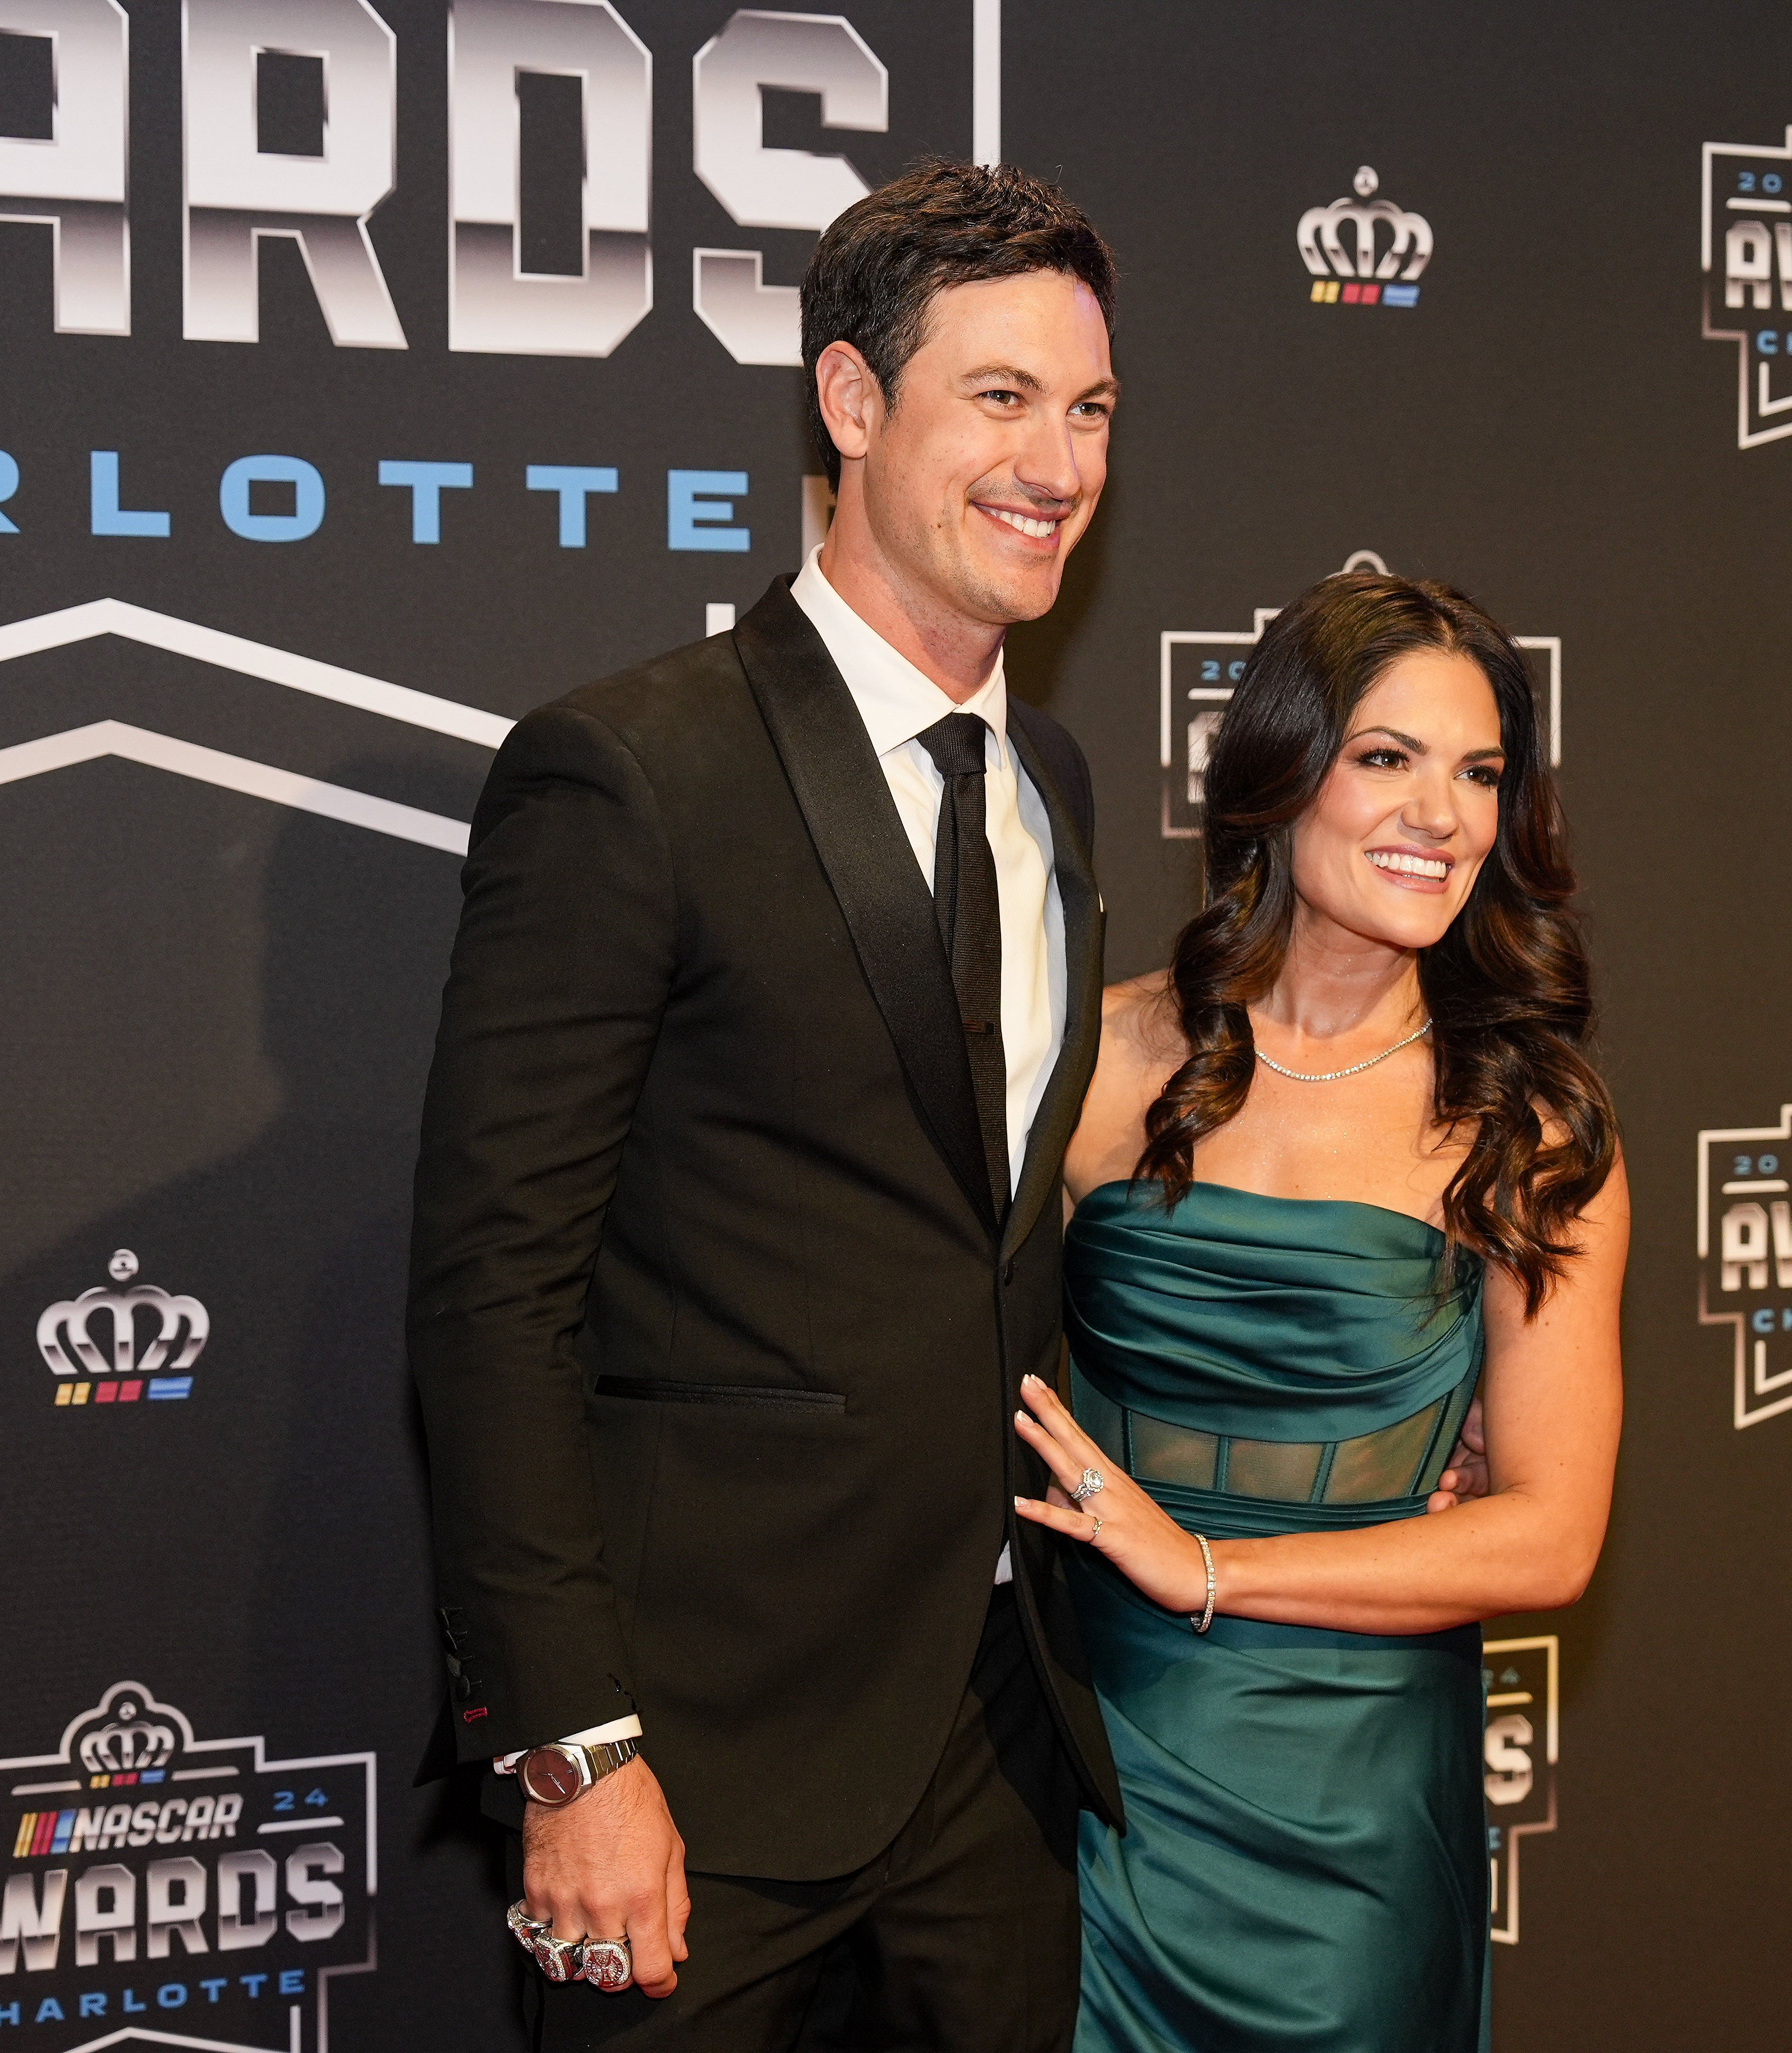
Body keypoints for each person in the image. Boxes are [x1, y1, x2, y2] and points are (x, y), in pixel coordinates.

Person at [407, 158, 1127, 2050]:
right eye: (1000, 397)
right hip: (700, 1768)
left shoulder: (1049, 774)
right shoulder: (629, 772)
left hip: (999, 1737)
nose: (1057, 460)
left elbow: (992, 1218)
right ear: (851, 402)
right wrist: (576, 1760)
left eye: (1090, 407)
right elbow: (494, 1299)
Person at [1010, 571, 1627, 2052]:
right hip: (1085, 1764)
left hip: (1351, 1799)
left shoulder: (1525, 1122)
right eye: (1387, 759)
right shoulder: (1099, 1052)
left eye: (1481, 773)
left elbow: (1550, 1534)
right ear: (1281, 774)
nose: (1443, 815)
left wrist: (1209, 1566)